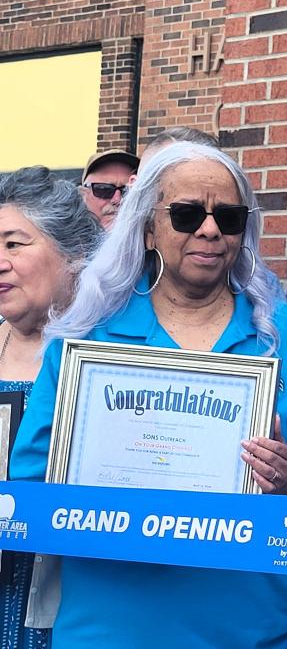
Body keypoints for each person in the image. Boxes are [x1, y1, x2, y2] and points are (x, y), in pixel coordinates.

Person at [11, 142, 287, 647]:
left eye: (228, 217)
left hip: (254, 631)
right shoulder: (90, 339)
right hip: (110, 631)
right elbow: (31, 486)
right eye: (187, 214)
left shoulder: (286, 335)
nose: (209, 230)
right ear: (147, 227)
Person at [0, 166, 102, 649]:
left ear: (75, 254)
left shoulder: (107, 358)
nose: (0, 261)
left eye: (14, 244)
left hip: (69, 603)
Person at [79, 149, 139, 229]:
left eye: (128, 191)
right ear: (83, 195)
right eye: (104, 189)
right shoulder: (62, 239)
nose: (117, 200)